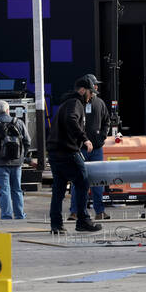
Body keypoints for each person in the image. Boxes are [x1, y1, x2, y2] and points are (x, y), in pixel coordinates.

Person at [47, 78, 103, 233]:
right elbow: (71, 119)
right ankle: (83, 220)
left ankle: (56, 225)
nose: (91, 96)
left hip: (55, 152)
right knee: (83, 183)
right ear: (83, 90)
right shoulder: (75, 103)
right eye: (91, 92)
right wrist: (84, 139)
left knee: (59, 189)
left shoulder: (66, 103)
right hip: (67, 151)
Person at [0, 100, 31, 220]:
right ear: (8, 110)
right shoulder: (18, 122)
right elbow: (28, 141)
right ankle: (19, 214)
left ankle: (6, 216)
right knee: (17, 189)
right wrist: (21, 156)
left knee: (4, 190)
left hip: (0, 163)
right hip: (17, 163)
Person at [80, 76, 111, 220]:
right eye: (94, 85)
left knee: (98, 183)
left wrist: (102, 137)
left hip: (97, 149)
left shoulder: (99, 103)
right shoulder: (77, 103)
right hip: (80, 149)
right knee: (78, 182)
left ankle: (99, 212)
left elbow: (106, 121)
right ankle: (77, 212)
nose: (96, 88)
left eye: (97, 85)